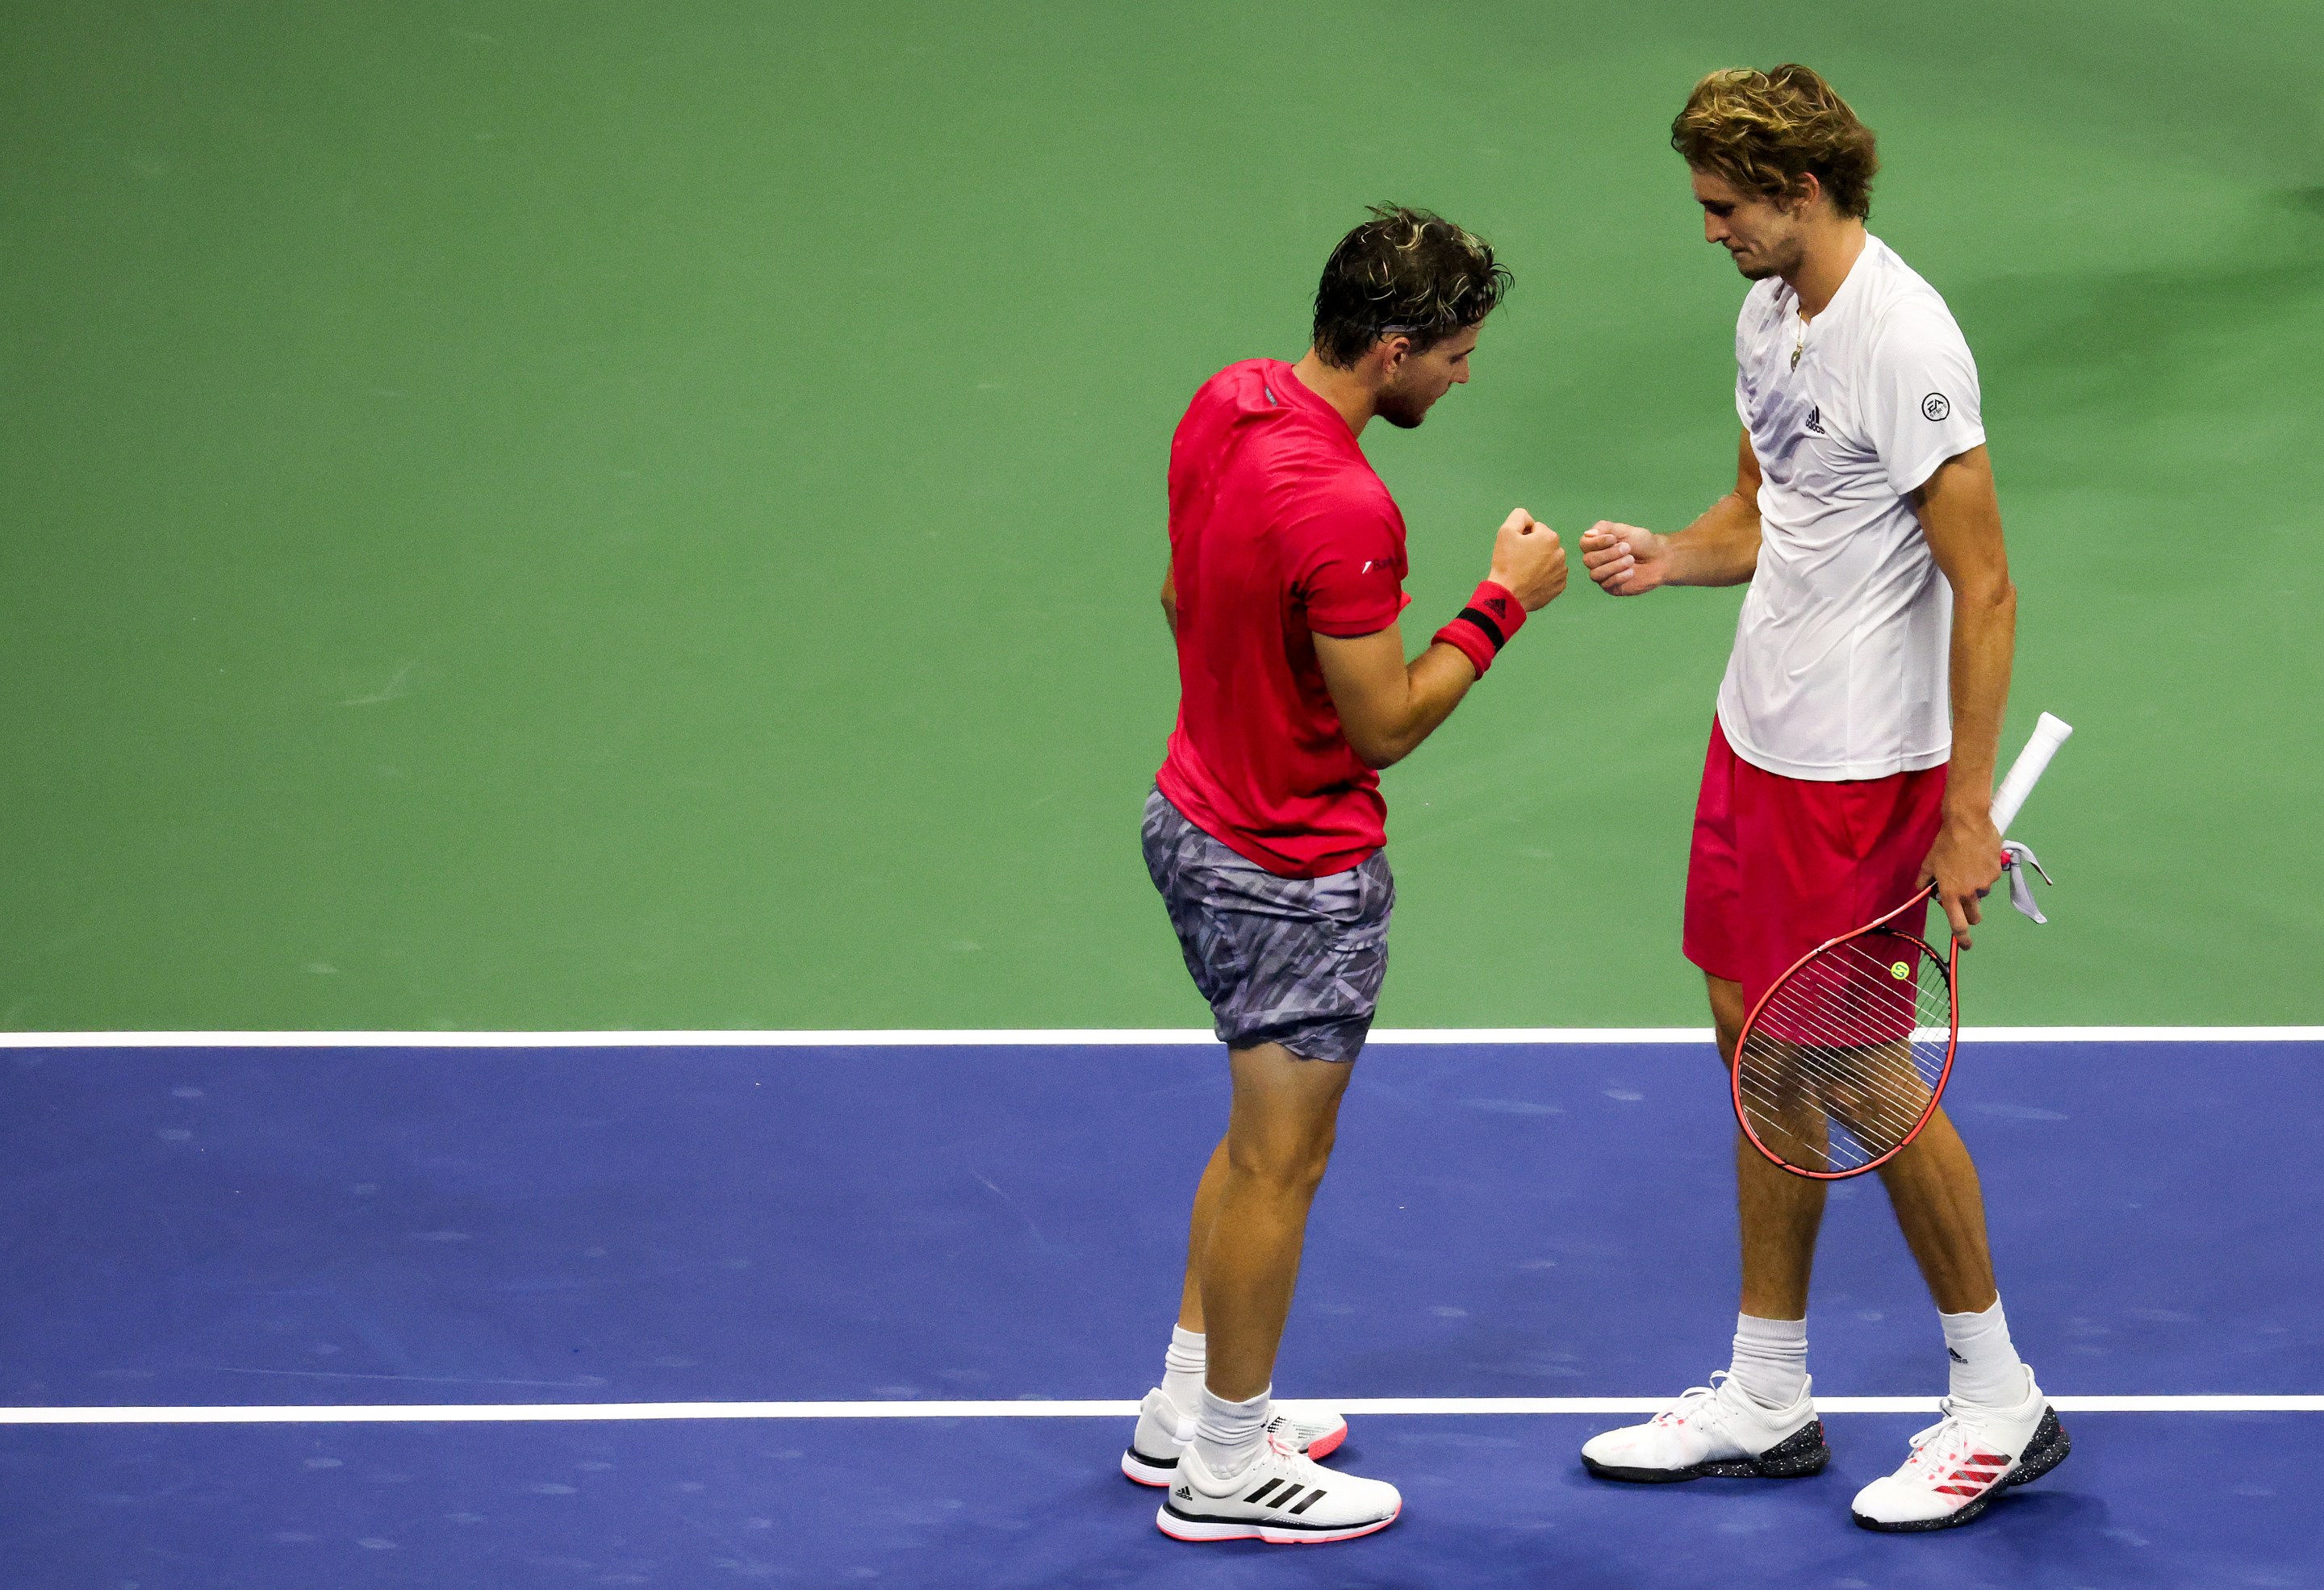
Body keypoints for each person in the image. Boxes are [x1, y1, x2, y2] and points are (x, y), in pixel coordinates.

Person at [1572, 66, 2070, 1532]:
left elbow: (1984, 583)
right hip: (1762, 737)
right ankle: (1769, 1389)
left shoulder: (1906, 345)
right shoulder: (1767, 311)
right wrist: (1670, 554)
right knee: (1751, 1040)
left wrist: (1967, 807)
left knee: (1853, 1067)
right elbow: (1764, 508)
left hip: (1866, 770)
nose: (1710, 231)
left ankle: (2000, 1398)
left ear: (1798, 192)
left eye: (1725, 207)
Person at [1130, 205, 1567, 1544]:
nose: (1463, 376)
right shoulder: (1345, 505)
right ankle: (1224, 1473)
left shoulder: (1228, 403)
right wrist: (1504, 602)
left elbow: (1175, 598)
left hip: (1193, 819)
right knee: (1282, 1166)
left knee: (1253, 1141)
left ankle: (1187, 1406)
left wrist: (1254, 710)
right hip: (1288, 874)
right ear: (1391, 351)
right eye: (1454, 355)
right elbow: (1384, 721)